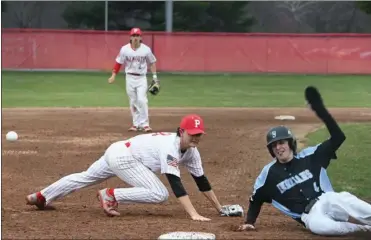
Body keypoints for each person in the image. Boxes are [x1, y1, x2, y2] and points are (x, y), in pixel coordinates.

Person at [26, 114, 243, 221]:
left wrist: (219, 208)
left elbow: (201, 181)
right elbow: (176, 183)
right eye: (192, 134)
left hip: (120, 151)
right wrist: (193, 214)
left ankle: (42, 196)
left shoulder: (192, 152)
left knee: (85, 177)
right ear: (181, 132)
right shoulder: (171, 146)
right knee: (160, 194)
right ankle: (111, 195)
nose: (196, 138)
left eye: (199, 135)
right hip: (124, 157)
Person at [237, 86, 371, 236]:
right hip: (310, 215)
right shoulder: (269, 174)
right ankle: (365, 230)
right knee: (321, 227)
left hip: (328, 199)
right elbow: (256, 198)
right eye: (274, 145)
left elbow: (338, 137)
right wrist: (249, 222)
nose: (278, 148)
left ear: (290, 143)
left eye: (281, 143)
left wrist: (320, 111)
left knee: (349, 202)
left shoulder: (312, 156)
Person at [108, 27, 157, 132]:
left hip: (141, 78)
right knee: (133, 101)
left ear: (140, 37)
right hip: (129, 78)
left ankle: (145, 124)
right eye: (134, 36)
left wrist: (154, 77)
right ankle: (136, 124)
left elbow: (152, 62)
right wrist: (113, 75)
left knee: (142, 100)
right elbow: (118, 63)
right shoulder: (125, 49)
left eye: (137, 36)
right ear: (130, 37)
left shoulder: (146, 49)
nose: (135, 38)